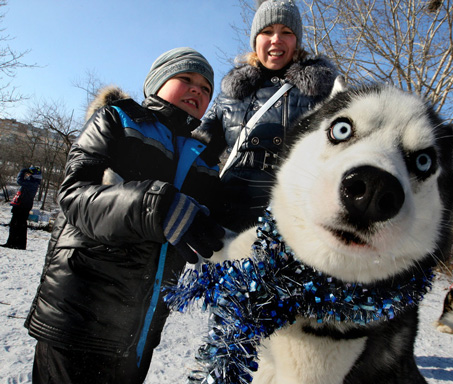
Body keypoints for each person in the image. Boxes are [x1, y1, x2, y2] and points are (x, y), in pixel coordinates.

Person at [24, 47, 225, 384]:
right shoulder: (117, 119)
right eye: (186, 78)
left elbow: (220, 220)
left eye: (206, 88)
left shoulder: (202, 159)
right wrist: (158, 207)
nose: (197, 90)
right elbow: (74, 197)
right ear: (157, 82)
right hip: (78, 318)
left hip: (139, 330)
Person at [199, 0, 338, 232]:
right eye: (267, 31)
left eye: (286, 32)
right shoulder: (230, 96)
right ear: (255, 40)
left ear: (296, 41)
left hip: (293, 219)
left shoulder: (321, 93)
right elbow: (198, 152)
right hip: (226, 215)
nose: (276, 39)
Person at [1, 166, 42, 250]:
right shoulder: (32, 180)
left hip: (23, 206)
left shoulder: (33, 183)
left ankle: (20, 244)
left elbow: (19, 180)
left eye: (30, 173)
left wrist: (22, 171)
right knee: (14, 224)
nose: (28, 174)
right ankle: (11, 242)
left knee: (20, 225)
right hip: (20, 205)